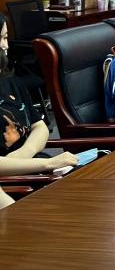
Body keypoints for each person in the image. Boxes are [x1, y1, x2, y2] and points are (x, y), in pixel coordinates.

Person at [0, 13, 78, 177]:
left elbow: (39, 126)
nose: (5, 46)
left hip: (36, 167)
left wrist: (26, 152)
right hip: (15, 181)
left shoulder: (12, 82)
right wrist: (48, 163)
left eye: (5, 38)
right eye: (0, 39)